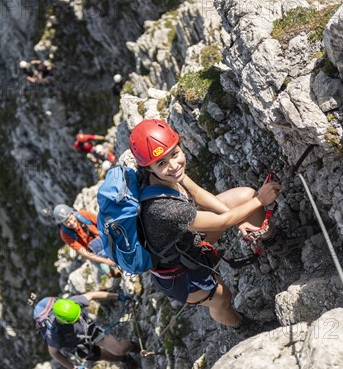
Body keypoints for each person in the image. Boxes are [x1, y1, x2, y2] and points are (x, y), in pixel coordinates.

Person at [130, 119, 312, 328]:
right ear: (149, 169)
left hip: (187, 241)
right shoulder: (164, 209)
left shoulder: (169, 177)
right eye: (161, 163)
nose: (173, 165)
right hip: (179, 272)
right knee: (222, 297)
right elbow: (221, 221)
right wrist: (259, 201)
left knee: (244, 197)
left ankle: (275, 243)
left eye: (175, 153)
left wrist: (240, 218)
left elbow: (197, 193)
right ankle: (243, 327)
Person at [34, 292, 139, 369]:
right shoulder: (54, 334)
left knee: (119, 350)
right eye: (75, 319)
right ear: (64, 321)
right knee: (100, 355)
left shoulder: (71, 304)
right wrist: (73, 368)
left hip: (88, 329)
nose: (79, 317)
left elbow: (91, 295)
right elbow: (54, 353)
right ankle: (125, 359)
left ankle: (135, 346)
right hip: (75, 344)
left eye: (79, 313)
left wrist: (117, 296)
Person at [53, 204, 118, 276]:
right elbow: (84, 253)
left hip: (104, 240)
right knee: (107, 271)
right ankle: (113, 274)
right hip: (92, 252)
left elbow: (103, 224)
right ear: (62, 223)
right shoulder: (65, 234)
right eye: (67, 222)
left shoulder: (83, 215)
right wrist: (106, 261)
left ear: (72, 213)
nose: (71, 223)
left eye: (71, 219)